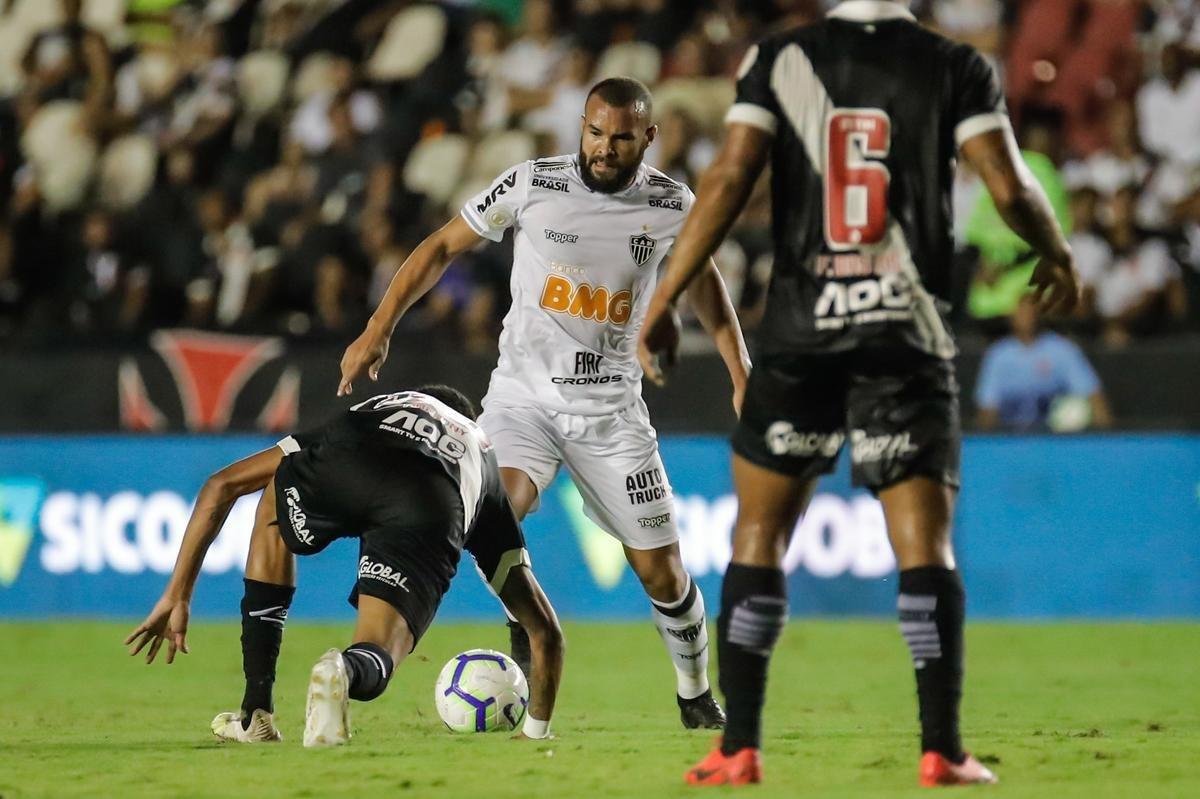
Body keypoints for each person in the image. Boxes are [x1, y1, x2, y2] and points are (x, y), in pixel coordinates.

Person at [639, 0, 1081, 787]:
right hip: (902, 332)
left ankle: (738, 747)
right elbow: (1009, 188)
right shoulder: (956, 65)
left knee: (759, 536)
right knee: (925, 547)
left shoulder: (780, 59)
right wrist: (1056, 251)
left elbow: (731, 175)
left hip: (803, 332)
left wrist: (667, 296)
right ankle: (941, 748)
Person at [338, 77, 751, 730]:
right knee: (496, 505)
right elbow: (443, 244)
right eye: (594, 132)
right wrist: (379, 326)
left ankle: (695, 691)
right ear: (580, 126)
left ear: (647, 138)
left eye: (620, 138)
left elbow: (706, 290)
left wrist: (739, 368)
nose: (604, 148)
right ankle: (526, 627)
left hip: (611, 415)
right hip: (522, 398)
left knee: (663, 575)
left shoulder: (672, 205)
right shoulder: (534, 184)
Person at [125, 385, 564, 747]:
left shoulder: (378, 407)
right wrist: (535, 732)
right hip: (428, 501)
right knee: (377, 652)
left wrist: (177, 593)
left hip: (350, 456)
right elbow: (545, 631)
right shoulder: (483, 459)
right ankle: (344, 670)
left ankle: (255, 711)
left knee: (274, 497)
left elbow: (222, 484)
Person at [975, 295, 1113, 431]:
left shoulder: (1062, 350)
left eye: (1031, 312)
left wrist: (1105, 439)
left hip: (1054, 439)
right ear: (1012, 317)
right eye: (1022, 312)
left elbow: (1093, 395)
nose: (1027, 317)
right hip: (1013, 438)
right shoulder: (998, 355)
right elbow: (987, 407)